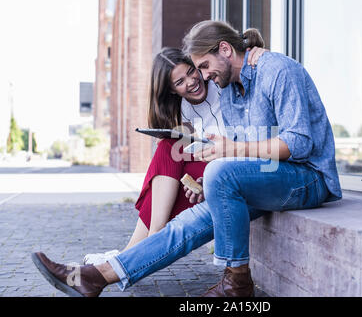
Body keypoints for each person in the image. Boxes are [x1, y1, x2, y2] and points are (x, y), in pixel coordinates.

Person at [31, 21, 342, 297]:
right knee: (187, 223)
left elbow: (299, 144)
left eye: (204, 66)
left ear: (224, 49)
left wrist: (231, 154)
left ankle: (236, 283)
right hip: (270, 176)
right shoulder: (231, 88)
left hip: (308, 178)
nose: (203, 77)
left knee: (221, 172)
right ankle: (94, 277)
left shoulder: (278, 70)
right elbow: (247, 153)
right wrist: (217, 180)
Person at [82, 46, 266, 265]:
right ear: (171, 90)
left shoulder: (219, 81)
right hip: (215, 160)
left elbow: (236, 56)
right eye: (179, 82)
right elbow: (196, 149)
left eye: (191, 72)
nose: (191, 82)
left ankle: (139, 250)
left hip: (239, 161)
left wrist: (257, 52)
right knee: (169, 159)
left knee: (169, 151)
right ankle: (132, 253)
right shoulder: (184, 108)